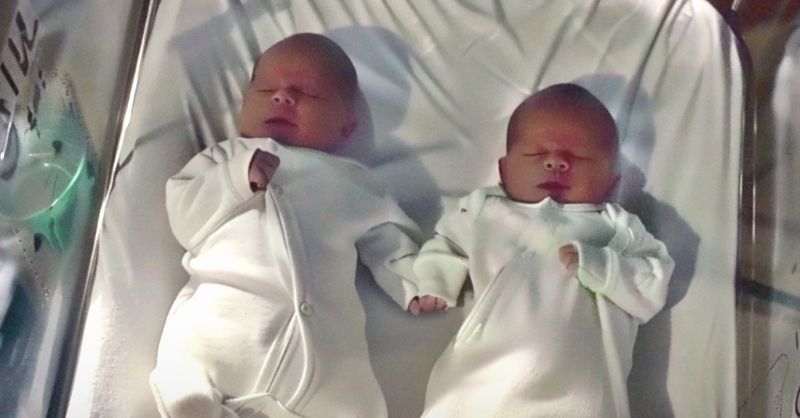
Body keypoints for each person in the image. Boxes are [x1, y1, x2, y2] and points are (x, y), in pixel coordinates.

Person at [150, 33, 421, 418]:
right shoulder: (223, 158)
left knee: (358, 406)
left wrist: (415, 282)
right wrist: (235, 179)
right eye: (266, 89)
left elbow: (389, 237)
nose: (282, 97)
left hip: (327, 363)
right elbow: (185, 217)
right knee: (183, 382)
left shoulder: (353, 181)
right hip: (225, 330)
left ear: (347, 125)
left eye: (307, 94)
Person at [410, 83, 675, 418]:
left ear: (612, 181)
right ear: (504, 170)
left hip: (578, 394)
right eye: (536, 154)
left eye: (578, 156)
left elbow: (653, 282)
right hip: (481, 381)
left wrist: (603, 267)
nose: (556, 162)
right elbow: (447, 242)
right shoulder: (484, 211)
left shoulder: (618, 227)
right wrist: (436, 281)